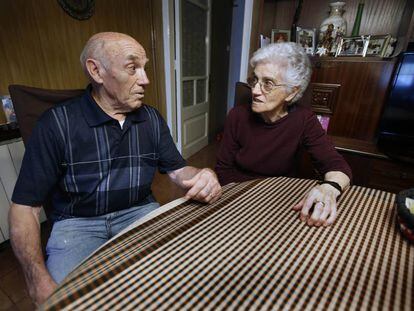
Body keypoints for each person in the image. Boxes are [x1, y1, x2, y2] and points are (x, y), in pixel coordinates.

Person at [9, 32, 221, 305]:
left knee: (186, 282)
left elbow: (179, 171)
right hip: (76, 225)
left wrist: (205, 174)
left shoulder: (151, 118)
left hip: (139, 213)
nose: (145, 79)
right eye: (133, 68)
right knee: (72, 302)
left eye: (144, 68)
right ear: (96, 71)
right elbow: (24, 208)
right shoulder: (56, 124)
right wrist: (36, 279)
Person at [216, 42, 351, 228]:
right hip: (238, 198)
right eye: (255, 80)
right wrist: (243, 202)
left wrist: (330, 187)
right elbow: (223, 170)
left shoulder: (304, 120)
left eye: (268, 83)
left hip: (279, 200)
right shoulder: (237, 116)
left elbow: (336, 165)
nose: (254, 90)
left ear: (291, 92)